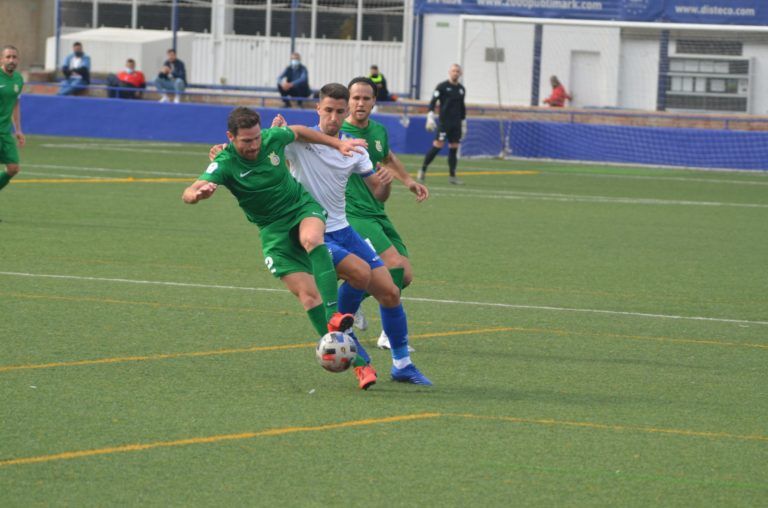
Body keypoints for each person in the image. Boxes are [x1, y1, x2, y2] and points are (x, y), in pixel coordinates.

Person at [182, 106, 367, 386]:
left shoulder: (271, 138)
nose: (254, 145)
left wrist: (338, 142)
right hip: (273, 232)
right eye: (246, 141)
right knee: (308, 298)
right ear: (230, 137)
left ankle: (335, 316)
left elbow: (300, 132)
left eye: (256, 137)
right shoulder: (224, 162)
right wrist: (197, 195)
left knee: (312, 239)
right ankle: (359, 365)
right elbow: (190, 190)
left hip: (301, 208)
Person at [274, 83, 431, 386]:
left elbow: (378, 193)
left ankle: (402, 365)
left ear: (345, 113)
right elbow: (264, 146)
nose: (333, 117)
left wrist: (385, 182)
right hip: (314, 232)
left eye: (338, 111)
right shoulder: (298, 142)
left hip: (344, 229)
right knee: (359, 275)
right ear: (317, 109)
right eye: (327, 110)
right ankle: (341, 328)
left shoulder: (355, 148)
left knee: (390, 291)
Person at [341, 77, 428, 352]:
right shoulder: (336, 134)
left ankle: (352, 300)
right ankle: (387, 335)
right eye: (355, 98)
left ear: (374, 102)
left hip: (377, 211)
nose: (360, 103)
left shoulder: (377, 132)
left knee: (405, 275)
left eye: (366, 98)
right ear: (347, 101)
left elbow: (387, 157)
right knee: (392, 264)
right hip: (353, 214)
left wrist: (408, 181)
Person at [419, 63, 466, 185]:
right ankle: (423, 169)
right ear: (449, 72)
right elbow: (433, 102)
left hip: (456, 124)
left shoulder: (461, 89)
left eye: (457, 71)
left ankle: (452, 176)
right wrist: (430, 117)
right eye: (453, 71)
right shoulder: (442, 87)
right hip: (444, 123)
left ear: (460, 73)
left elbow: (462, 107)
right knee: (438, 145)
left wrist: (464, 122)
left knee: (454, 148)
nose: (455, 73)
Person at [0, 45, 24, 194]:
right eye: (8, 57)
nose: (11, 60)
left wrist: (18, 130)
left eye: (14, 57)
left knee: (13, 168)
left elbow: (15, 103)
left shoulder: (18, 79)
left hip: (5, 132)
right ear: (1, 59)